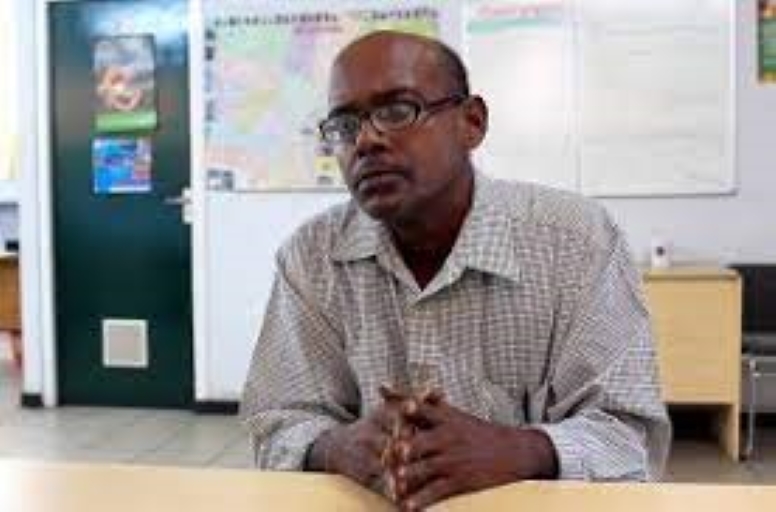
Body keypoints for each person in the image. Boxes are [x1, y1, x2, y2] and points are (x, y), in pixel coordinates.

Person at [241, 30, 670, 510]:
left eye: (397, 111)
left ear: (472, 122)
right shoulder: (311, 257)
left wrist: (519, 449)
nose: (366, 141)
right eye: (344, 125)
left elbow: (630, 436)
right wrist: (335, 447)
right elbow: (277, 422)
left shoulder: (577, 241)